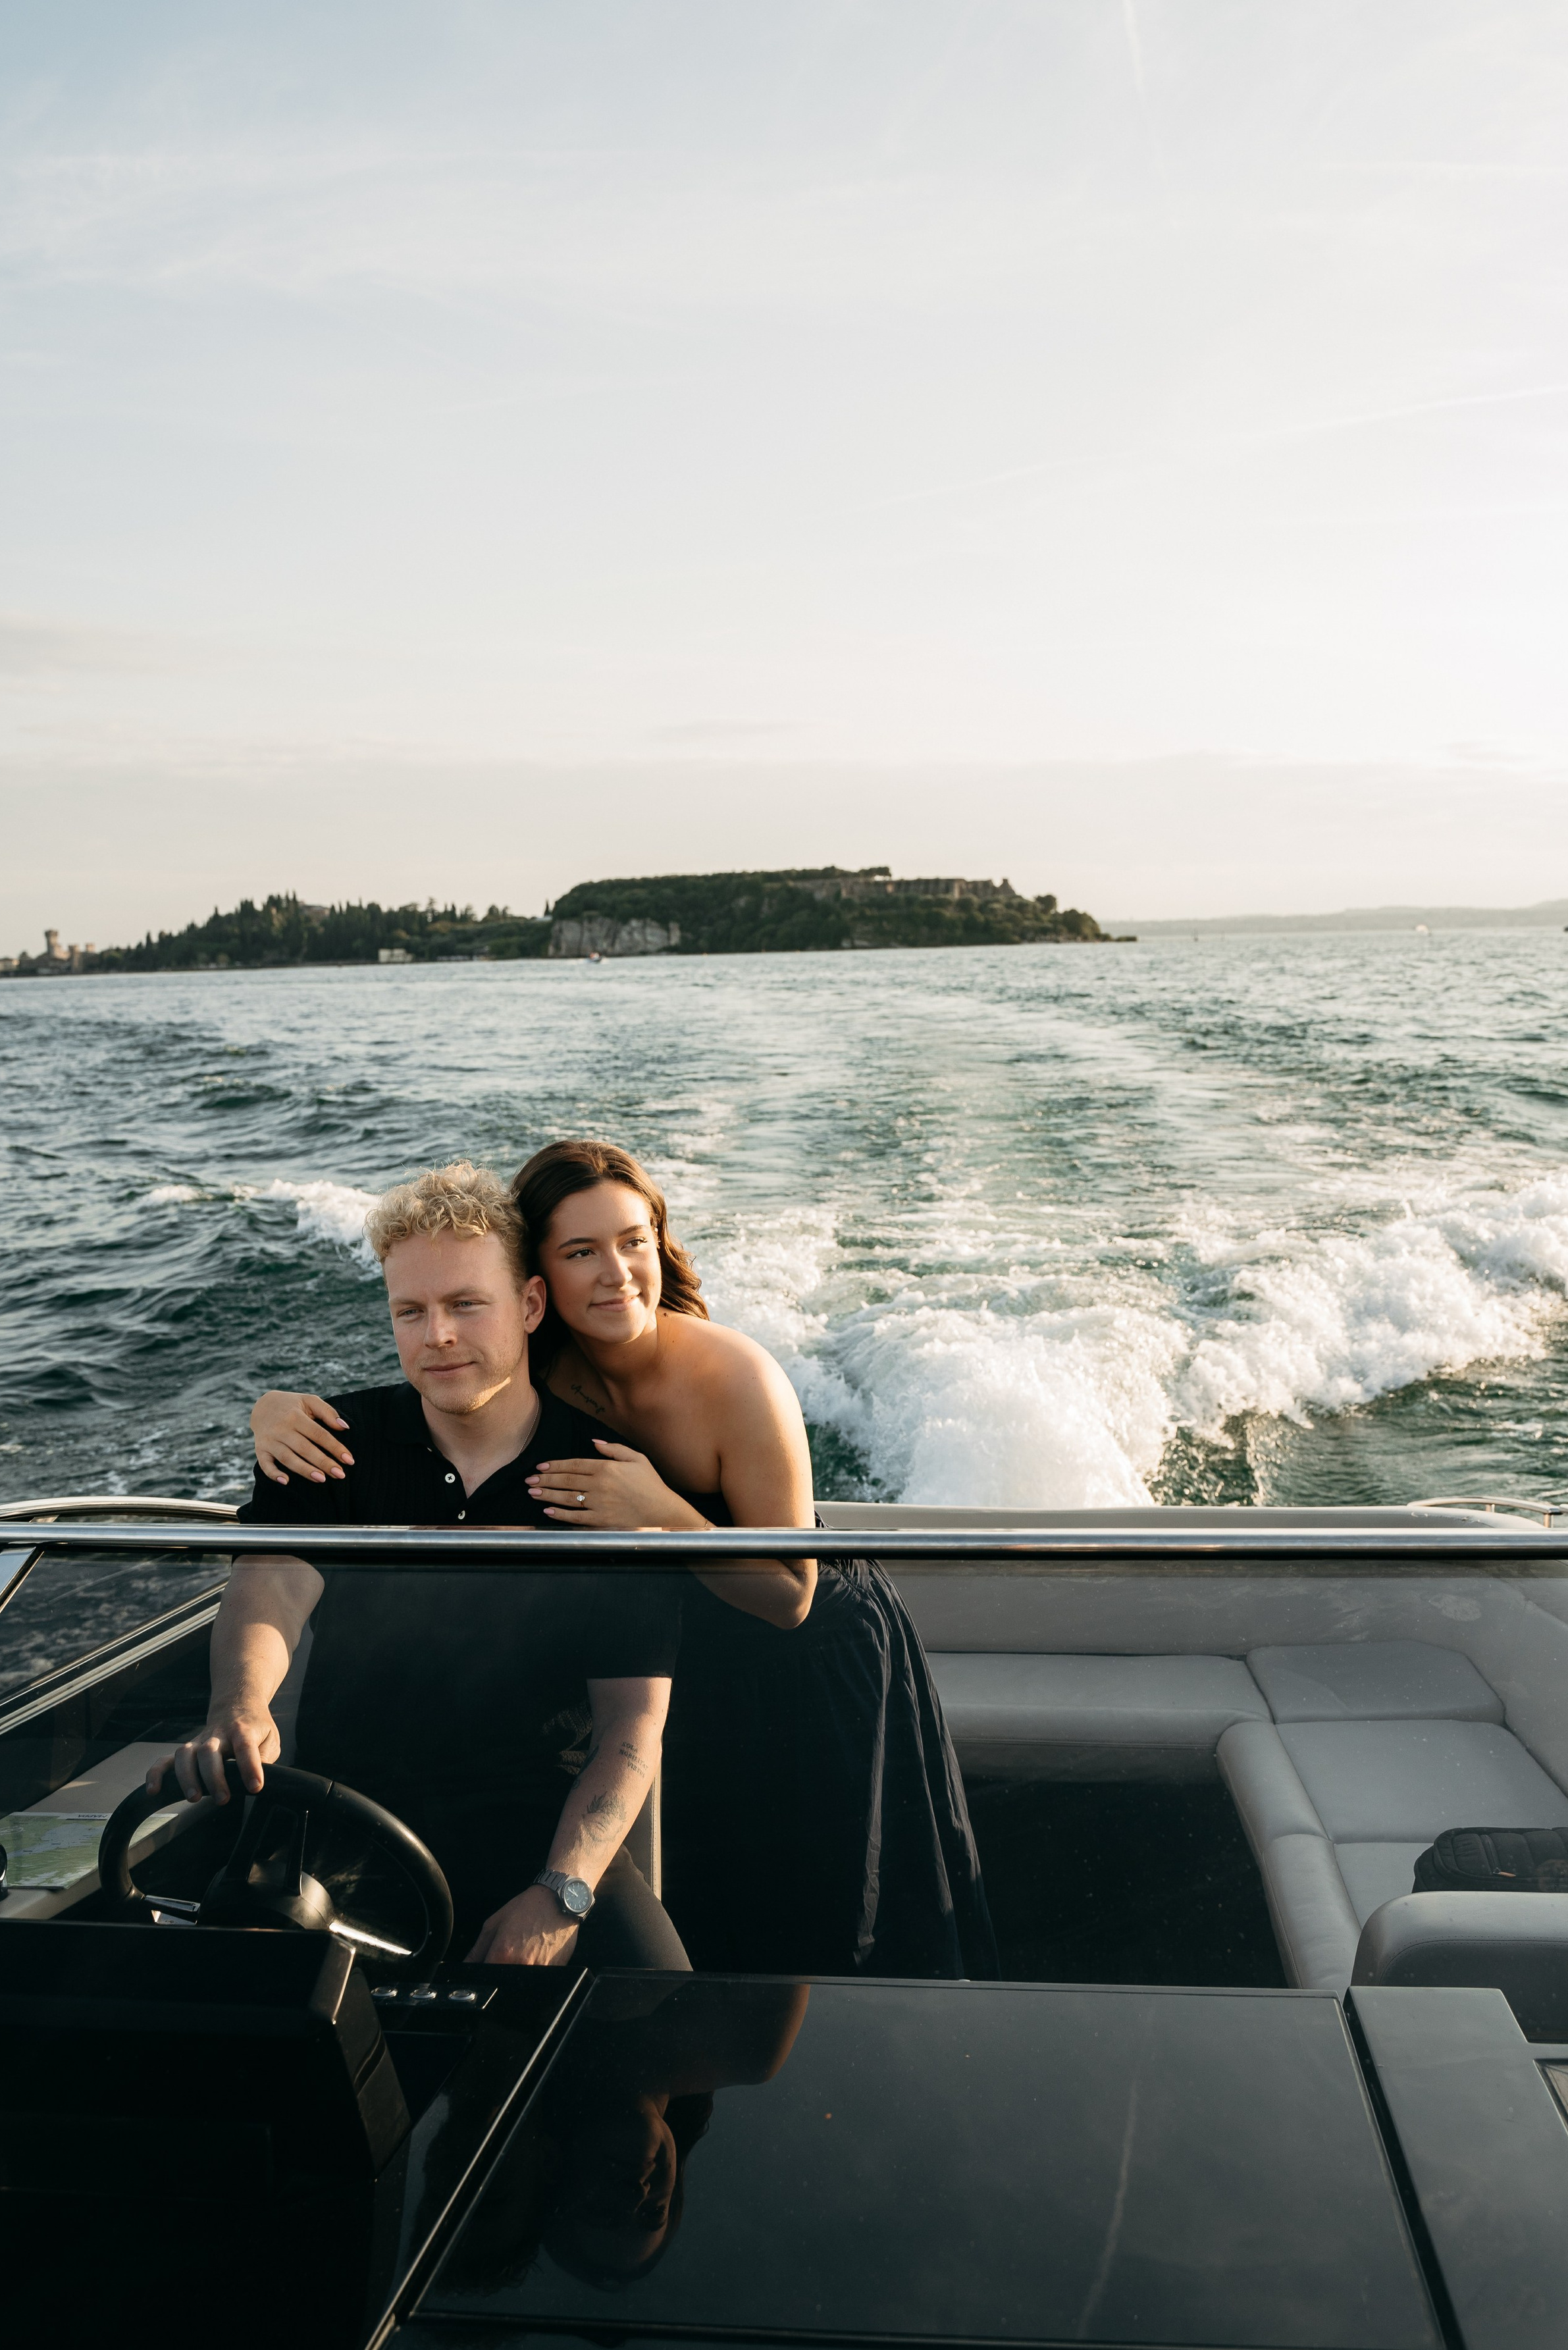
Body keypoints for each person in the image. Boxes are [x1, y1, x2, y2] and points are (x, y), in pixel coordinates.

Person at [251, 1140, 997, 1983]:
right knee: (708, 1920)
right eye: (581, 1252)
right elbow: (440, 1355)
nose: (616, 1273)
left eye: (633, 1241)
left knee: (818, 1922)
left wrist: (665, 1515)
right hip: (675, 1654)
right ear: (537, 1287)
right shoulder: (544, 1371)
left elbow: (791, 1594)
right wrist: (275, 1412)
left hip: (804, 1655)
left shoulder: (736, 1377)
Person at [156, 1161, 690, 1971]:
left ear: (531, 1305)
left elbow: (630, 1727)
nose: (436, 1334)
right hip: (341, 1819)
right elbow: (271, 1583)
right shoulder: (327, 1444)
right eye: (411, 1311)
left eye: (465, 1305)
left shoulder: (607, 1475)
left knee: (664, 2050)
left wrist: (562, 1893)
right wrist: (240, 1705)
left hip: (539, 1831)